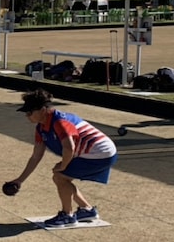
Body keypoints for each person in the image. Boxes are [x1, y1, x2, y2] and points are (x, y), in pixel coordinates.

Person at [8, 88, 118, 228]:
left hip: (100, 153)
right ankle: (87, 210)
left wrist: (63, 166)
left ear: (42, 110)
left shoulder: (59, 121)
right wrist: (19, 180)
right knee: (61, 177)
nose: (27, 115)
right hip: (95, 153)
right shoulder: (41, 128)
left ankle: (67, 216)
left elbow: (69, 147)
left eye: (30, 112)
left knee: (60, 176)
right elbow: (36, 156)